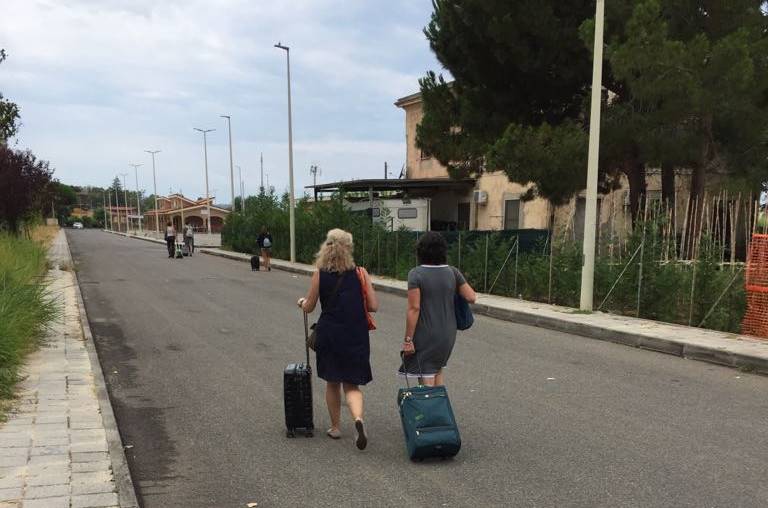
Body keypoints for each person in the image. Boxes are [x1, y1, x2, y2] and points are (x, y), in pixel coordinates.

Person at [297, 229, 378, 449]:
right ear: (349, 249)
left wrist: (302, 302)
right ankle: (358, 420)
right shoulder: (361, 273)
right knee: (351, 384)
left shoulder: (320, 273)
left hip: (330, 333)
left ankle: (335, 427)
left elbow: (310, 306)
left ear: (327, 247)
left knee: (332, 382)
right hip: (355, 333)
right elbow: (373, 306)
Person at [401, 231, 476, 387]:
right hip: (448, 333)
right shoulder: (453, 272)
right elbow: (471, 297)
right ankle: (439, 409)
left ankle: (430, 410)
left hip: (426, 333)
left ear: (421, 251)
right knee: (437, 369)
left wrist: (408, 340)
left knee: (426, 374)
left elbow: (414, 308)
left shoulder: (415, 274)